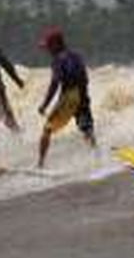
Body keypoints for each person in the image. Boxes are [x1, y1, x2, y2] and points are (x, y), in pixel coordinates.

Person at [37, 26, 96, 168]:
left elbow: (55, 83)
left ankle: (40, 165)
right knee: (86, 129)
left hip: (69, 97)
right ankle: (97, 158)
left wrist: (45, 104)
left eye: (49, 46)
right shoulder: (77, 55)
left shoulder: (58, 59)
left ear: (56, 45)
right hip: (82, 95)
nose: (47, 50)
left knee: (47, 129)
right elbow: (84, 77)